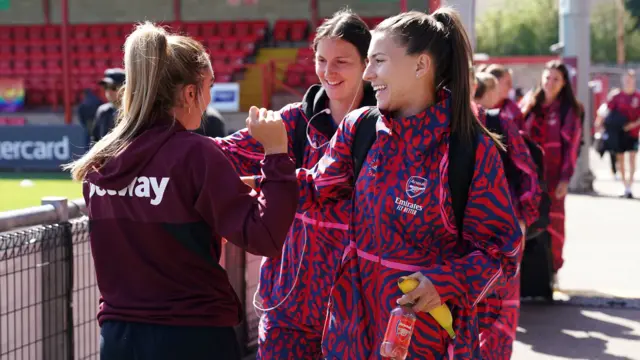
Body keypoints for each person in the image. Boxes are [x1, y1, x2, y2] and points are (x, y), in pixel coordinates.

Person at [250, 8, 522, 359]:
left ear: (421, 65)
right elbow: (316, 192)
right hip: (348, 335)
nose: (367, 73)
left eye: (378, 60)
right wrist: (270, 166)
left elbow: (502, 254)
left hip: (422, 340)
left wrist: (443, 283)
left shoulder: (468, 151)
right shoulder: (360, 128)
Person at [62, 22, 298, 360]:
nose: (208, 99)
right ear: (190, 93)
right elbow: (265, 238)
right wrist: (276, 155)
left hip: (119, 339)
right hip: (193, 337)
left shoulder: (100, 161)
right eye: (209, 86)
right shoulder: (195, 154)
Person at [215, 9, 376, 359]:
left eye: (342, 61)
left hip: (358, 307)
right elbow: (225, 152)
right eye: (321, 59)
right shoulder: (293, 120)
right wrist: (167, 144)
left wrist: (266, 180)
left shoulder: (383, 128)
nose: (328, 72)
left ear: (367, 63)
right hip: (287, 305)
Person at [474, 72, 541, 360]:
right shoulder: (432, 124)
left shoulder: (497, 121)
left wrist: (523, 221)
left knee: (500, 325)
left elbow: (528, 175)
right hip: (456, 249)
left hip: (502, 240)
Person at [522, 60, 582, 278]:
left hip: (554, 178)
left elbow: (572, 147)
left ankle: (553, 268)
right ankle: (526, 273)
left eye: (556, 79)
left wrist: (566, 178)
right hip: (528, 178)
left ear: (564, 83)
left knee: (554, 222)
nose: (550, 82)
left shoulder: (569, 111)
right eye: (547, 77)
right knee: (526, 222)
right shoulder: (529, 104)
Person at [606, 70, 640, 198]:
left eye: (630, 79)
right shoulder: (616, 96)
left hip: (633, 133)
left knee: (632, 158)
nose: (628, 82)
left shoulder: (638, 96)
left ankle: (630, 186)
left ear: (634, 80)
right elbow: (607, 111)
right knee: (620, 160)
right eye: (626, 80)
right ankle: (624, 185)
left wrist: (633, 124)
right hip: (618, 133)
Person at [485, 64, 526, 130]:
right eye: (508, 83)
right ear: (495, 82)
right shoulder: (479, 108)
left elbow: (523, 135)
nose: (510, 87)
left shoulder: (512, 108)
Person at [92, 68, 126, 142]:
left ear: (124, 88)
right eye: (106, 87)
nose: (109, 91)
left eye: (113, 87)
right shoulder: (103, 111)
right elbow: (95, 141)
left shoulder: (132, 112)